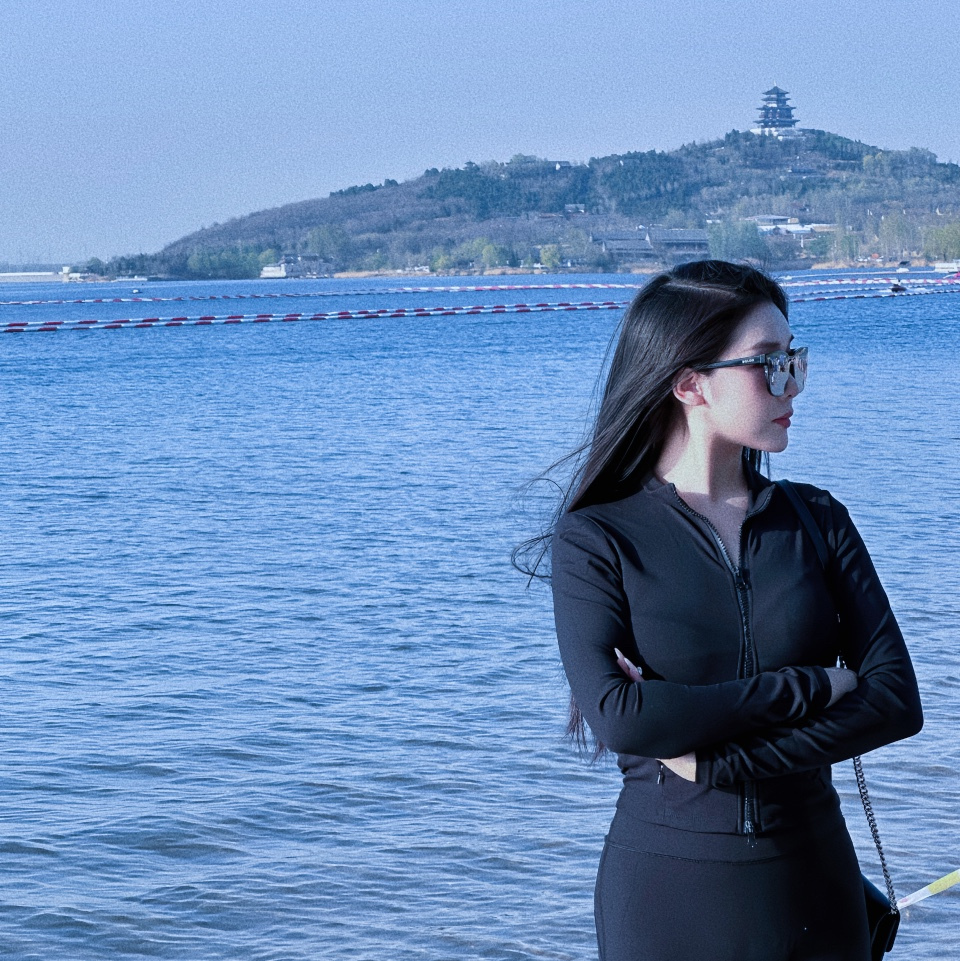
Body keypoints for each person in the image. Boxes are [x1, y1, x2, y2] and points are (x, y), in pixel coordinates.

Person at [547, 261, 923, 960]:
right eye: (767, 364)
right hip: (669, 895)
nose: (792, 384)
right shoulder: (598, 539)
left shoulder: (817, 520)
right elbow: (624, 718)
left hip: (816, 883)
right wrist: (811, 686)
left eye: (794, 359)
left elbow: (897, 703)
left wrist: (719, 762)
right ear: (690, 383)